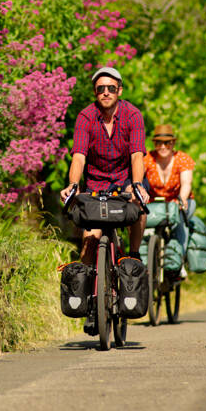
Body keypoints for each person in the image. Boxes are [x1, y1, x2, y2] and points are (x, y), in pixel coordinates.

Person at [60, 66, 149, 268]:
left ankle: (134, 256)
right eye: (101, 89)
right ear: (95, 92)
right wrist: (73, 185)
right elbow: (79, 157)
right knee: (89, 245)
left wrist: (137, 184)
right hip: (95, 184)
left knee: (139, 201)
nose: (106, 92)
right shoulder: (86, 117)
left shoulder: (133, 115)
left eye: (111, 87)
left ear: (120, 90)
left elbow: (137, 156)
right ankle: (88, 293)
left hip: (125, 179)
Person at [143, 124, 195, 274]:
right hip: (154, 203)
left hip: (178, 201)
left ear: (173, 143)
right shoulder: (147, 158)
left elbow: (186, 183)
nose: (163, 146)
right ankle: (146, 262)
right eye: (159, 143)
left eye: (167, 143)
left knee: (181, 220)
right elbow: (138, 179)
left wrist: (182, 199)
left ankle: (178, 262)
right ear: (154, 144)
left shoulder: (182, 159)